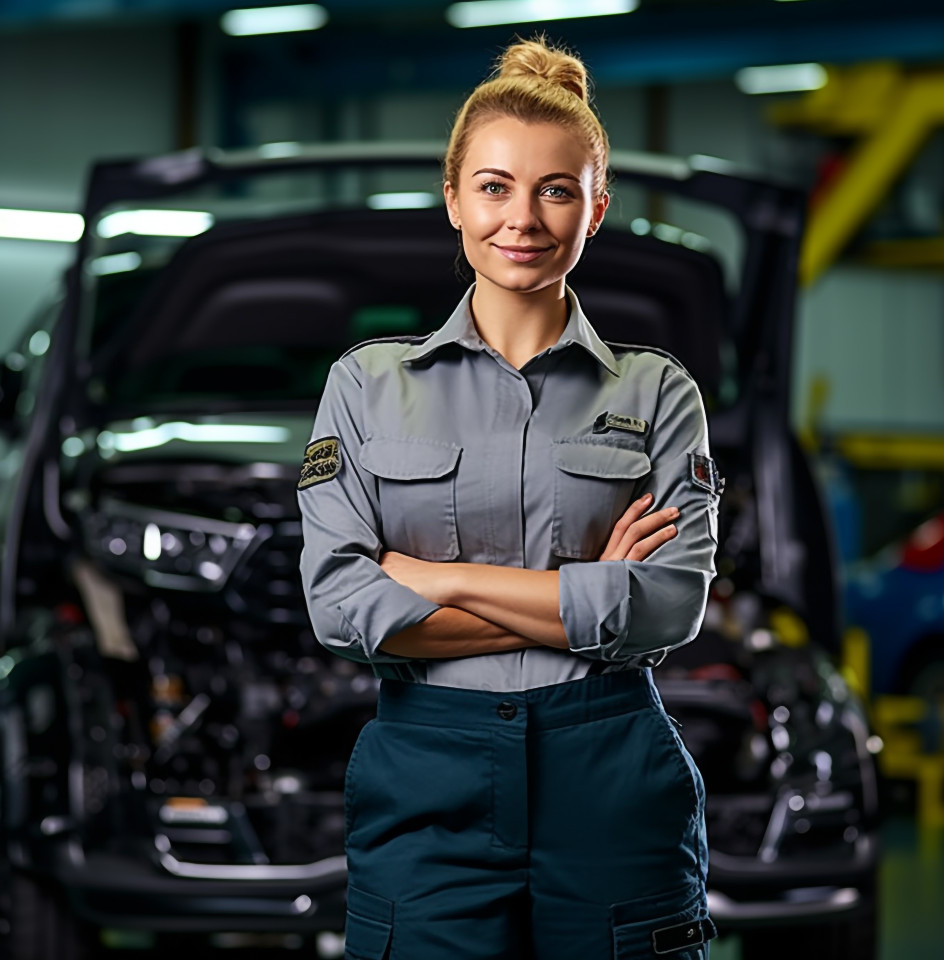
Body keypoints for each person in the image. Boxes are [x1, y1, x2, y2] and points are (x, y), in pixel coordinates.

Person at [298, 36, 722, 960]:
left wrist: (432, 579)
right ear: (452, 198)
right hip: (427, 781)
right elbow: (340, 606)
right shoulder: (367, 387)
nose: (521, 218)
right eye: (493, 187)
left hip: (611, 777)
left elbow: (666, 604)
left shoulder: (656, 394)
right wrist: (583, 600)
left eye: (555, 189)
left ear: (595, 208)